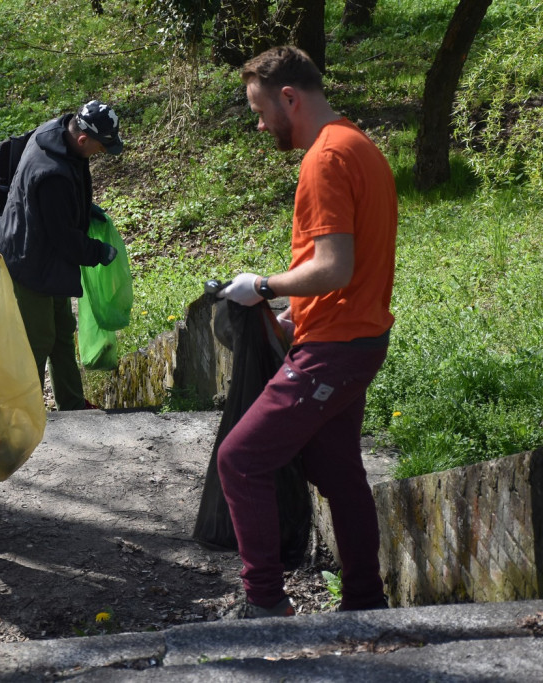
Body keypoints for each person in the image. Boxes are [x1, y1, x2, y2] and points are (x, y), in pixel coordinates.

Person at [215, 46, 398, 617]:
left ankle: (264, 604)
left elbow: (335, 265)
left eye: (259, 108)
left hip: (335, 350)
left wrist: (265, 287)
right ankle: (365, 601)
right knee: (336, 471)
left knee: (240, 460)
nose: (260, 122)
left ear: (289, 97)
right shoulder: (359, 145)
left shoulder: (324, 158)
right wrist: (301, 308)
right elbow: (353, 265)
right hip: (355, 337)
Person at [0, 100, 123, 411]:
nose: (102, 153)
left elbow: (53, 211)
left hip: (44, 253)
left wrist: (83, 208)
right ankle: (23, 413)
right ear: (83, 139)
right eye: (101, 147)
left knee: (62, 331)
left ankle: (72, 405)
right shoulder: (52, 174)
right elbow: (64, 239)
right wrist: (99, 251)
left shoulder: (58, 132)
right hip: (26, 259)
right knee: (38, 339)